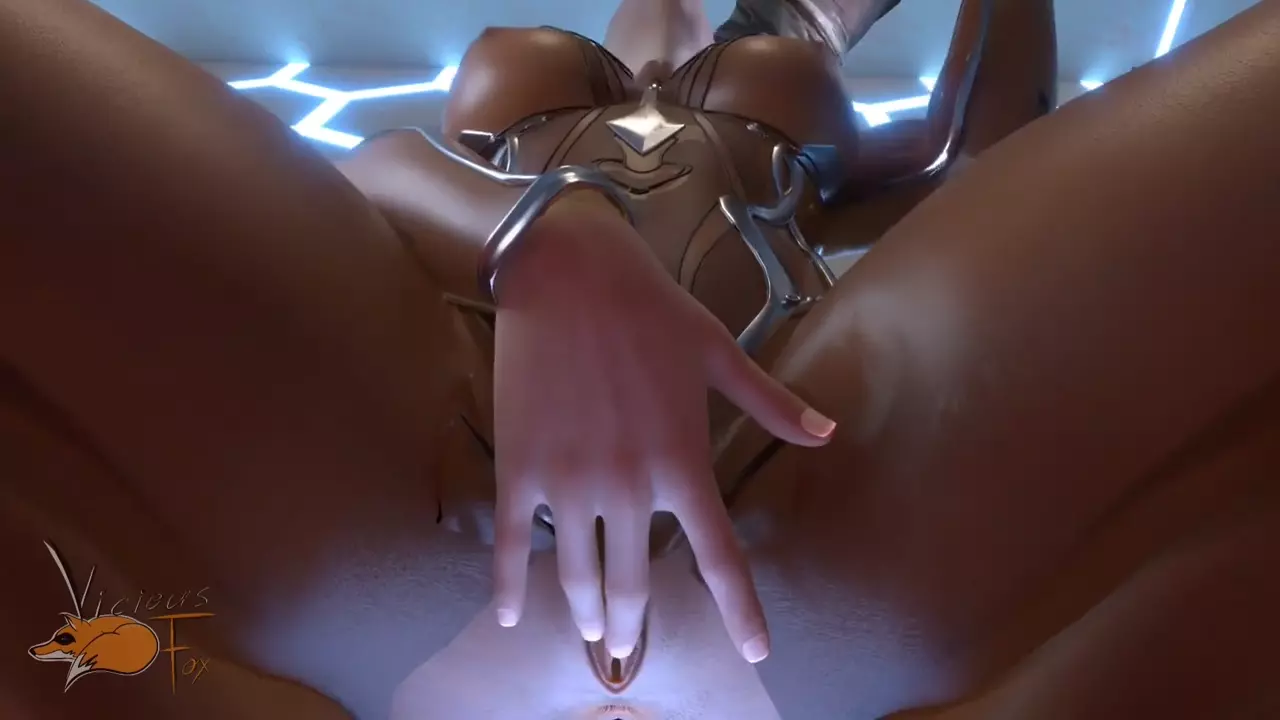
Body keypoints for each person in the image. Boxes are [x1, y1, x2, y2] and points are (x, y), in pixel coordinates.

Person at [3, 0, 1277, 717]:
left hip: (428, 482)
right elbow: (981, 153)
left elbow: (369, 173)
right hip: (814, 496)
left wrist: (535, 234)